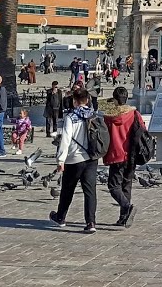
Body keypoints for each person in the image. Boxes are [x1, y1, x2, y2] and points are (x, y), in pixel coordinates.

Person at [50, 86, 100, 232]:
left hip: (74, 158)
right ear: (87, 100)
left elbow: (65, 138)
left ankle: (61, 217)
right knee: (90, 191)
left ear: (74, 101)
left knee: (67, 189)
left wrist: (60, 160)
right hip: (91, 157)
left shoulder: (71, 117)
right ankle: (91, 222)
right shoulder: (94, 115)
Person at [103, 86, 146, 228]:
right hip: (132, 154)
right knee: (126, 185)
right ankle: (123, 218)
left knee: (113, 185)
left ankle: (126, 207)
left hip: (116, 153)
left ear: (115, 99)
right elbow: (143, 129)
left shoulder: (109, 116)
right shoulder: (134, 114)